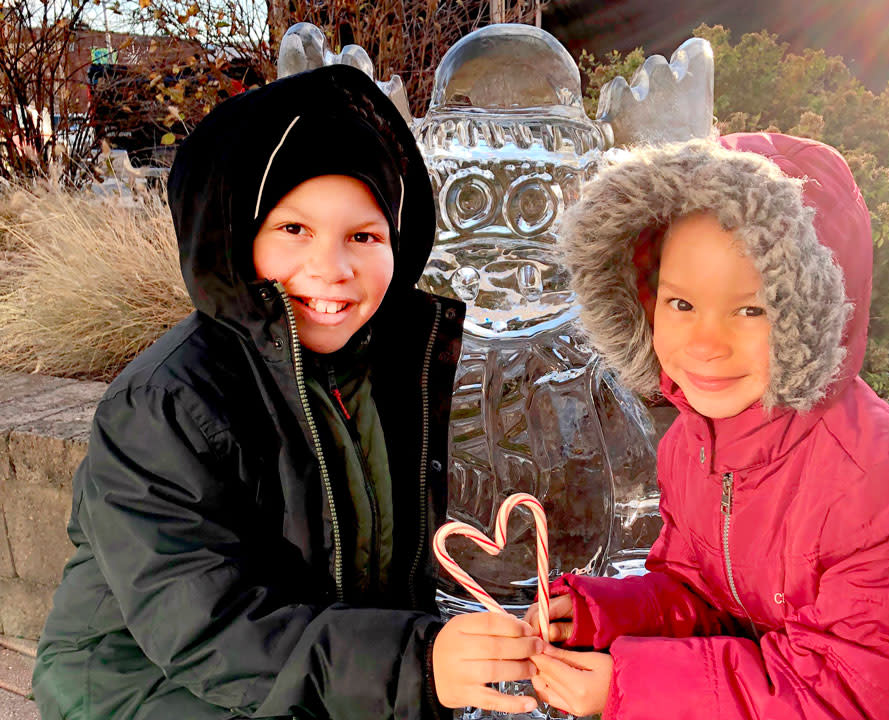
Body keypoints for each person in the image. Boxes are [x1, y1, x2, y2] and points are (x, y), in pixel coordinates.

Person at [31, 65, 541, 720]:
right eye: (294, 230)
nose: (332, 268)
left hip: (316, 669)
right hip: (139, 680)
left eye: (364, 235)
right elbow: (208, 626)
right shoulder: (165, 405)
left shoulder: (403, 368)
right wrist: (416, 662)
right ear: (240, 239)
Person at [523, 133, 889, 719]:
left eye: (751, 309)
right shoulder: (692, 441)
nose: (705, 344)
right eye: (681, 304)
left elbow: (848, 695)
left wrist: (630, 686)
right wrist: (604, 614)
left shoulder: (885, 483)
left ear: (819, 310)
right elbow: (702, 596)